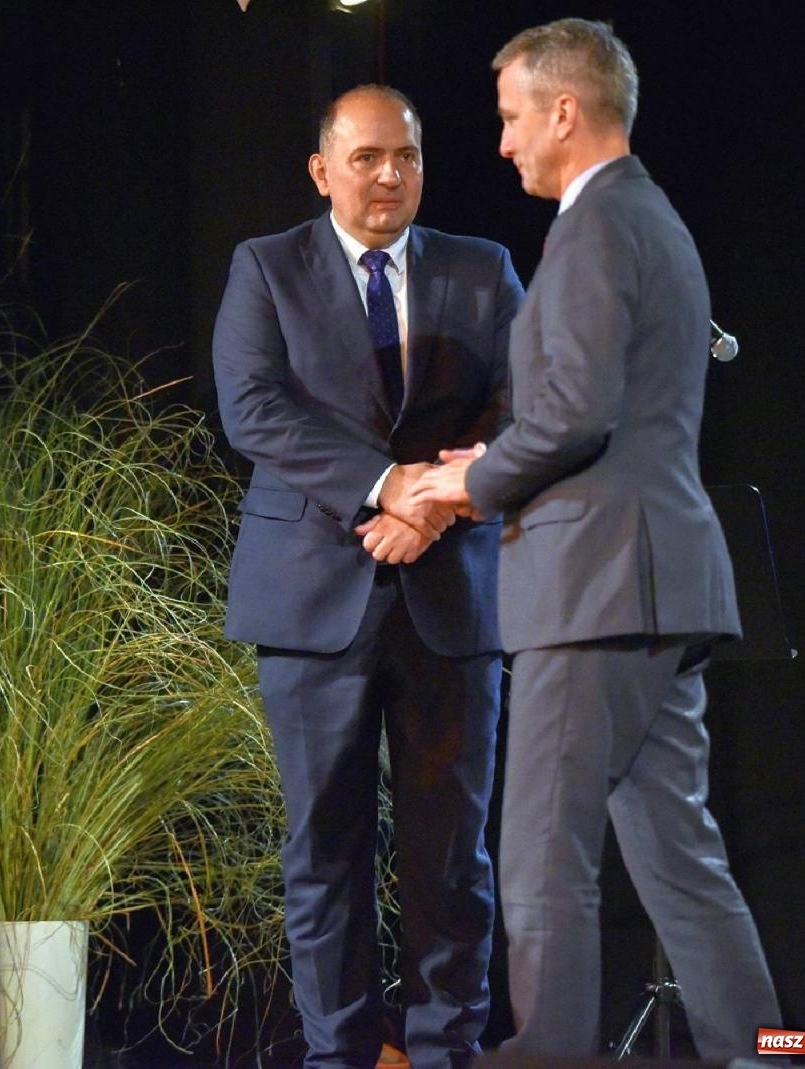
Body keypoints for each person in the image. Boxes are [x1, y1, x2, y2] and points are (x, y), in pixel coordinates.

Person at [409, 19, 781, 1058]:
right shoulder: (651, 218)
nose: (502, 144)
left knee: (539, 856)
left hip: (595, 588)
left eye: (512, 118)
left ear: (564, 111)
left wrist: (466, 483)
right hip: (660, 589)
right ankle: (763, 1053)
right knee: (679, 860)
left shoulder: (593, 227)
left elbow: (574, 412)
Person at [212, 86, 524, 1069]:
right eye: (367, 158)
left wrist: (437, 505)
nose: (390, 175)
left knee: (452, 861)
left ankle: (445, 1053)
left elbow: (530, 416)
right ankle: (337, 1055)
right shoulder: (266, 266)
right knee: (323, 856)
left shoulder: (481, 269)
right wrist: (389, 486)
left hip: (451, 601)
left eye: (407, 156)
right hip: (312, 600)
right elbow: (252, 409)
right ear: (322, 171)